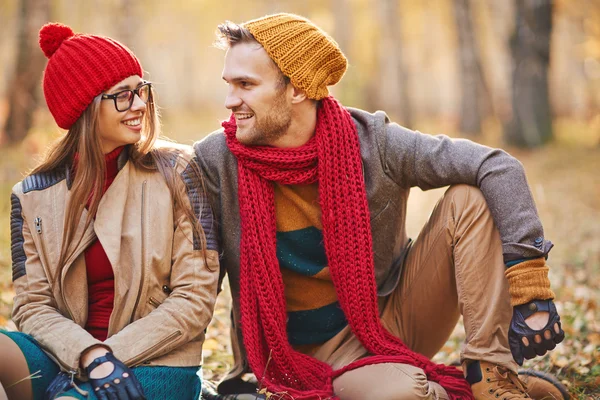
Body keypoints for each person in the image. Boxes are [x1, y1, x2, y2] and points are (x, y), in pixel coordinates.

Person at [194, 13, 569, 400]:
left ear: (298, 88)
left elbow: (496, 165)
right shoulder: (214, 161)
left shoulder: (374, 142)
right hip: (296, 355)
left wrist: (530, 285)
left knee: (470, 199)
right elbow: (195, 279)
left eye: (245, 84)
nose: (229, 101)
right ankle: (455, 389)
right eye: (229, 84)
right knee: (403, 393)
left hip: (387, 320)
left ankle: (490, 373)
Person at [0, 23, 219, 400]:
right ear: (85, 107)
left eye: (141, 91)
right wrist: (89, 354)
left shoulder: (179, 172)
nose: (138, 105)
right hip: (69, 356)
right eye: (122, 96)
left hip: (156, 363)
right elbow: (33, 306)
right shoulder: (32, 195)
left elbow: (194, 298)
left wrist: (109, 358)